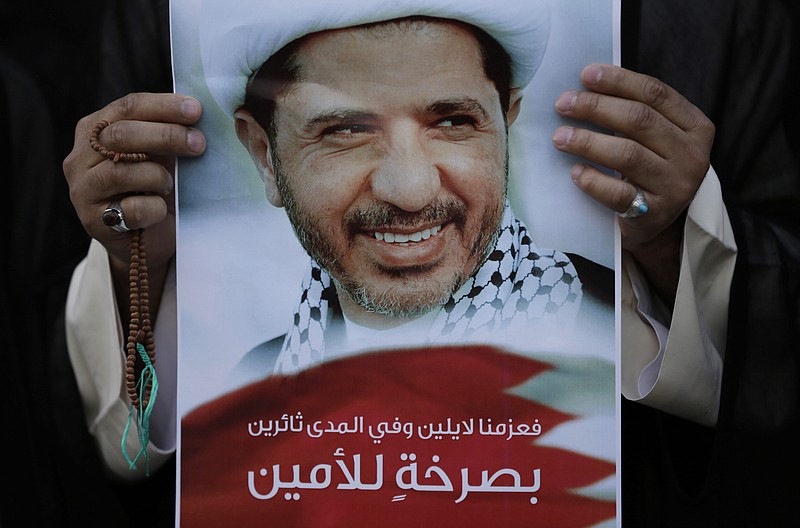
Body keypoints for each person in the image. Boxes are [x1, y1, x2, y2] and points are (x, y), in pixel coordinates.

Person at [56, 0, 799, 526]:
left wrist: (674, 237)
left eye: (452, 121)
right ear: (262, 154)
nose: (410, 190)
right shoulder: (250, 378)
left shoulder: (610, 319)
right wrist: (138, 262)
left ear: (506, 122)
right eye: (344, 131)